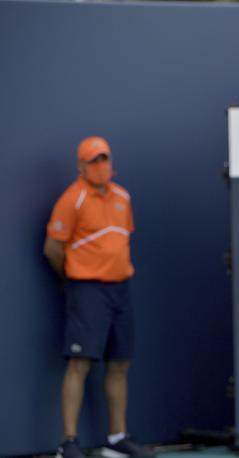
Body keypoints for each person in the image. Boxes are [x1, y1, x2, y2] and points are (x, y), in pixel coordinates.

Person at [44, 136, 155, 458]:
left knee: (120, 363)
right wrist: (74, 277)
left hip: (119, 289)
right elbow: (52, 248)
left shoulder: (123, 197)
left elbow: (119, 243)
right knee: (79, 363)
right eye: (94, 161)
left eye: (104, 159)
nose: (101, 166)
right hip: (86, 289)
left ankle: (117, 438)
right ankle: (69, 442)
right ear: (81, 166)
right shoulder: (73, 199)